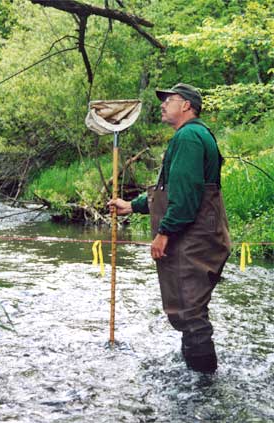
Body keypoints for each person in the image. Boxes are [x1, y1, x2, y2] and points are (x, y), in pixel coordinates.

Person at [108, 83, 231, 373]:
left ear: (186, 105)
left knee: (190, 310)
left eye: (169, 100)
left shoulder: (189, 137)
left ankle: (203, 384)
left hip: (194, 238)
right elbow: (170, 189)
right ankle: (193, 374)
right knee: (190, 308)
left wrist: (163, 234)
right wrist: (133, 205)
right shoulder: (193, 134)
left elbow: (186, 197)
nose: (162, 105)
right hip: (201, 235)